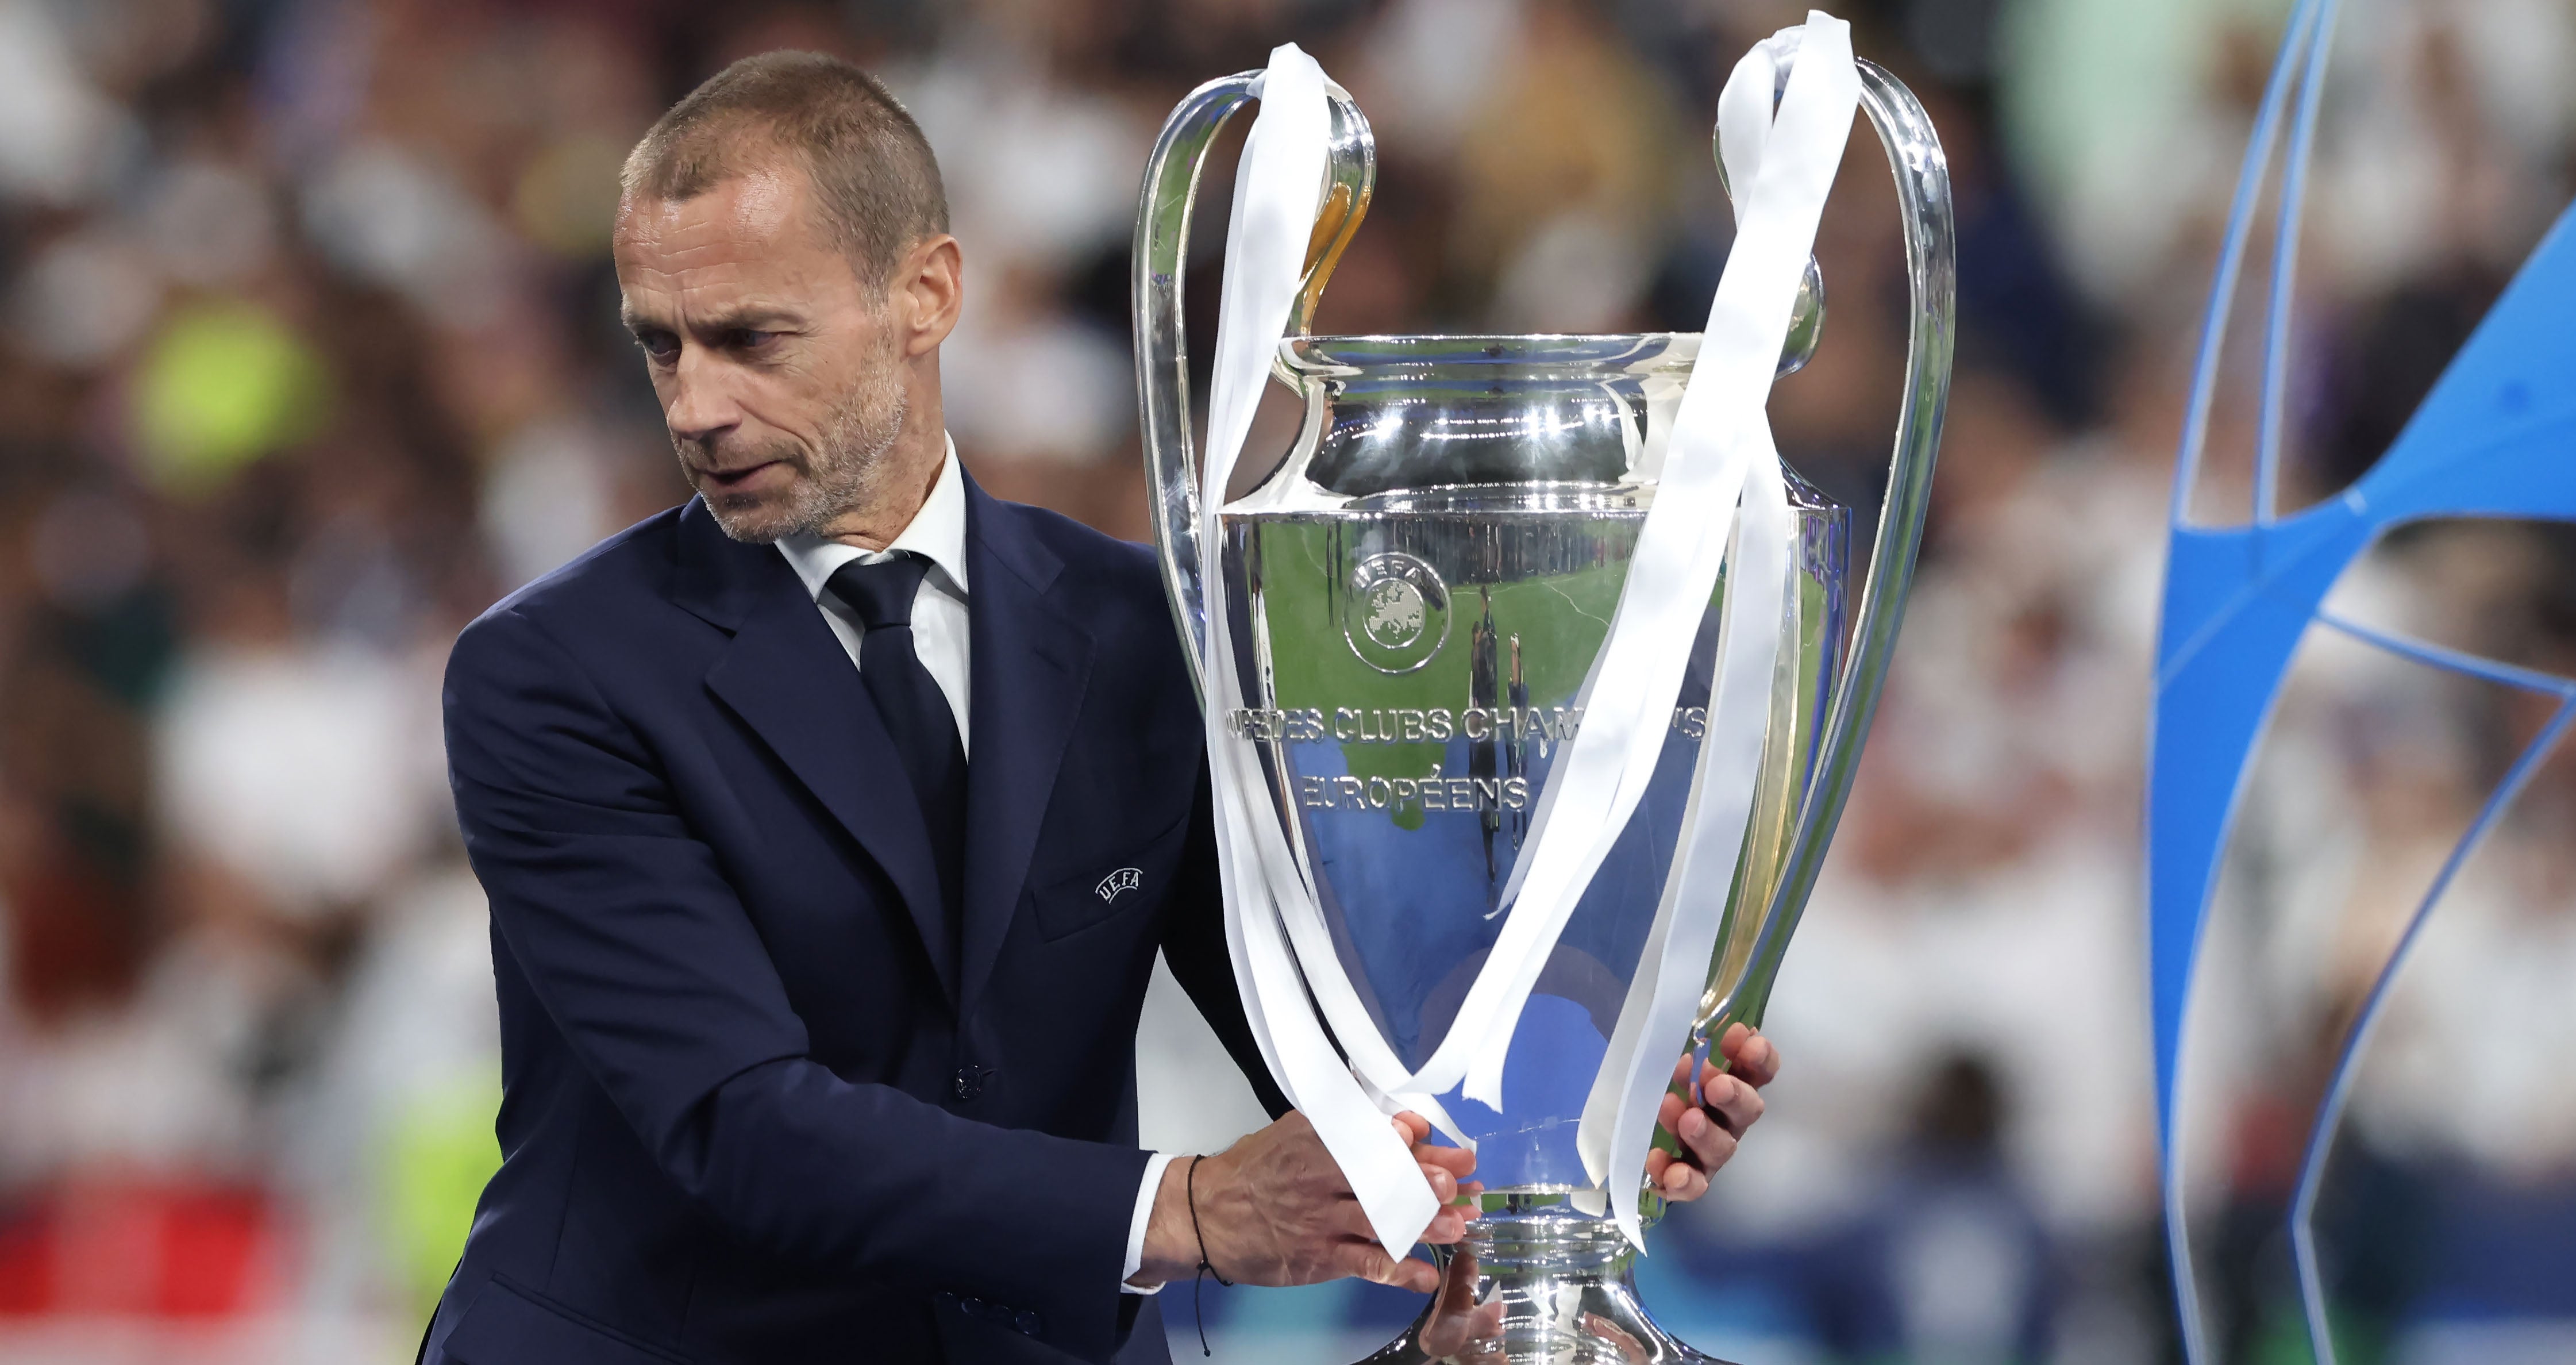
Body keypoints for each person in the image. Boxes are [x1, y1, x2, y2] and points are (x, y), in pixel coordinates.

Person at [421, 51, 1778, 1365]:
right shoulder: (550, 673)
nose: (695, 406)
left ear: (925, 295)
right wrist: (1181, 1208)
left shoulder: (1143, 628)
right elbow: (738, 1122)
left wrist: (1574, 1114)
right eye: (659, 347)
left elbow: (1316, 1024)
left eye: (748, 340)